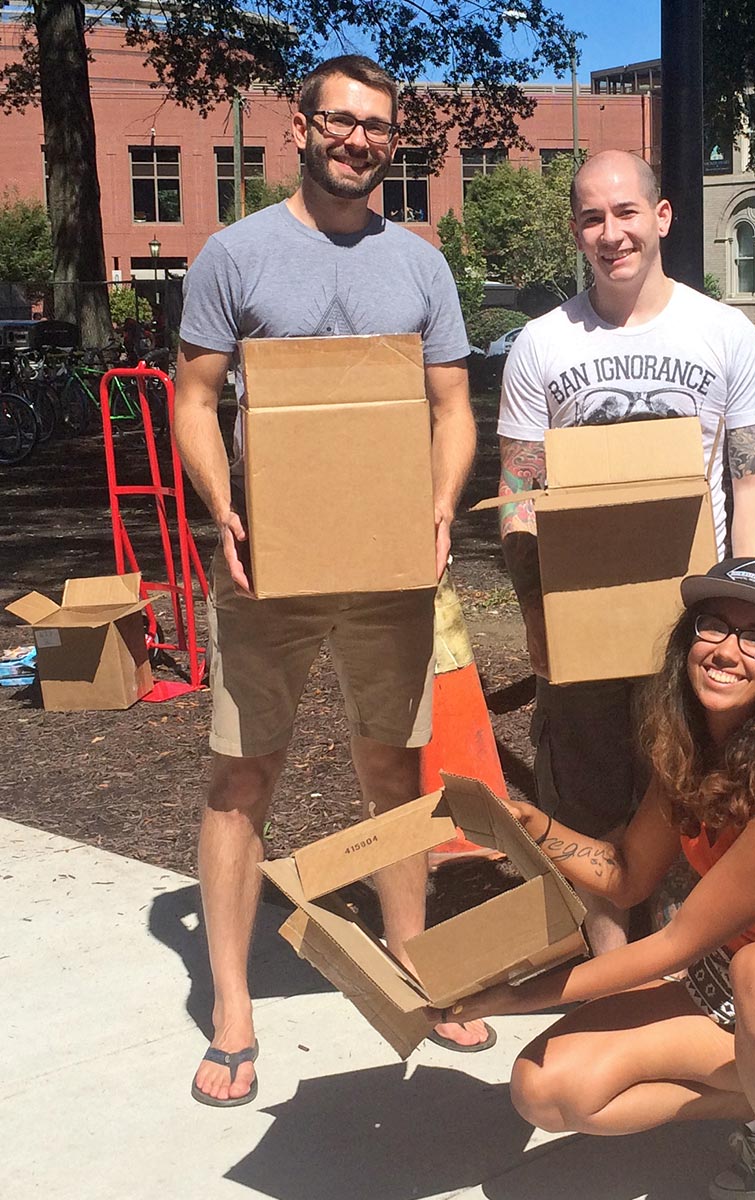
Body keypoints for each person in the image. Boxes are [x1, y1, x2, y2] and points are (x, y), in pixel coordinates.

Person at [173, 54, 485, 1107]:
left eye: (378, 128)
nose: (359, 140)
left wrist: (444, 504)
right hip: (271, 566)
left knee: (396, 774)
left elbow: (453, 408)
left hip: (391, 565)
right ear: (298, 127)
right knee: (242, 776)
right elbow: (193, 398)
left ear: (393, 145)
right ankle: (229, 1001)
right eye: (341, 122)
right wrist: (224, 507)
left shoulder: (421, 265)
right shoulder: (236, 253)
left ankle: (416, 965)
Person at [434, 558, 755, 1200]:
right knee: (546, 1088)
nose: (727, 650)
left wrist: (513, 996)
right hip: (741, 997)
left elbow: (673, 945)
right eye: (713, 626)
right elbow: (630, 876)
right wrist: (534, 828)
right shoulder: (691, 754)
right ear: (686, 642)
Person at [497, 149, 755, 952]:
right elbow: (520, 495)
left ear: (661, 218)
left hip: (693, 621)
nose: (611, 233)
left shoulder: (725, 333)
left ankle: (697, 985)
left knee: (701, 809)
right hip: (584, 619)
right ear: (576, 232)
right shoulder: (541, 345)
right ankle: (613, 991)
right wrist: (537, 616)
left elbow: (754, 479)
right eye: (592, 217)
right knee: (587, 813)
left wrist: (746, 611)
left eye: (626, 213)